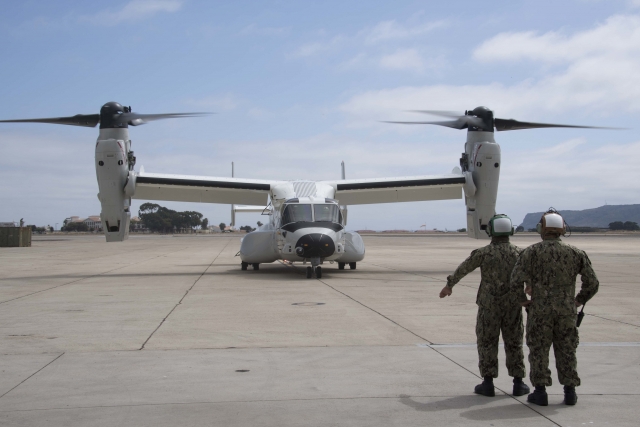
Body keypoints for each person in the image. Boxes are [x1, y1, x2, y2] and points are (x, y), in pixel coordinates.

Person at [511, 209, 599, 406]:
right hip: (566, 311)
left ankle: (540, 392)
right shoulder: (576, 253)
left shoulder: (531, 252)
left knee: (539, 350)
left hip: (540, 311)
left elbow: (515, 279)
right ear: (562, 229)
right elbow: (592, 282)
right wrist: (577, 301)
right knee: (567, 349)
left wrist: (523, 300)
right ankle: (570, 392)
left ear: (541, 229)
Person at [440, 214, 530, 397]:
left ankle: (488, 383)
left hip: (488, 306)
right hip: (513, 305)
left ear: (490, 231)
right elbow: (530, 275)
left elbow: (463, 269)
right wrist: (530, 286)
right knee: (514, 343)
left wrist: (450, 285)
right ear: (511, 231)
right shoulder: (520, 254)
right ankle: (519, 383)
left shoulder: (483, 253)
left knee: (487, 342)